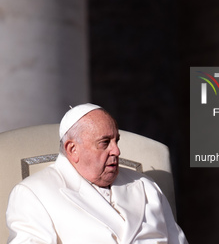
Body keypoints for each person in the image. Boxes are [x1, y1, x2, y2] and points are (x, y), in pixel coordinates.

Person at [6, 103, 188, 244]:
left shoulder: (145, 185)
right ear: (72, 149)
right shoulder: (33, 194)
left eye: (116, 141)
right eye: (104, 143)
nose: (116, 151)